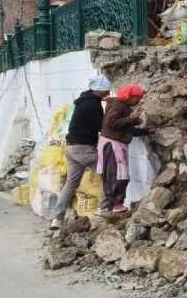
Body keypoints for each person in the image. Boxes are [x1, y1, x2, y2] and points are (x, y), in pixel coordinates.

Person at [50, 76, 111, 229]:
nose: (108, 93)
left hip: (71, 148)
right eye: (106, 90)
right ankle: (102, 210)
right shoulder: (93, 105)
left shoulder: (83, 100)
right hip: (83, 149)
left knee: (71, 183)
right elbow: (101, 127)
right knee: (110, 172)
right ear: (98, 90)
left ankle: (57, 218)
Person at [97, 84, 152, 215]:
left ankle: (113, 205)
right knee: (115, 175)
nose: (138, 101)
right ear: (130, 96)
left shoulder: (124, 107)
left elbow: (126, 129)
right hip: (112, 145)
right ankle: (114, 205)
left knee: (118, 175)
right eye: (137, 98)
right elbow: (110, 123)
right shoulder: (118, 106)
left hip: (116, 144)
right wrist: (131, 118)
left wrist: (145, 131)